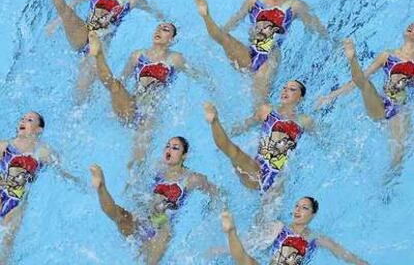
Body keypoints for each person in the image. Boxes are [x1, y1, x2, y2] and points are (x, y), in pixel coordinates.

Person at [194, 0, 327, 106]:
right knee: (223, 38)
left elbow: (317, 27)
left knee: (259, 101)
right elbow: (235, 21)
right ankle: (205, 15)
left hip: (270, 56)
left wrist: (332, 42)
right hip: (250, 51)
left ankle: (259, 116)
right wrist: (222, 31)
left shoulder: (295, 5)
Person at [45, 0, 164, 102]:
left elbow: (151, 9)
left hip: (99, 46)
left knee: (81, 93)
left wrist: (164, 20)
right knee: (69, 14)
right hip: (84, 34)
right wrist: (55, 23)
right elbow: (73, 4)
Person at [88, 23, 204, 167]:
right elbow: (123, 80)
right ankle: (98, 55)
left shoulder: (175, 59)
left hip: (149, 114)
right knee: (115, 86)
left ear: (172, 40)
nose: (159, 31)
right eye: (157, 28)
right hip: (131, 107)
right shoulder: (137, 56)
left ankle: (132, 181)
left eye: (165, 30)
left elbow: (198, 75)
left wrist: (212, 87)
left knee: (137, 161)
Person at [90, 136, 220, 265]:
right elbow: (137, 183)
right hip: (142, 220)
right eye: (167, 146)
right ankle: (100, 187)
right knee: (119, 214)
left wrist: (211, 209)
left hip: (161, 231)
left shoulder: (191, 178)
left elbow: (216, 192)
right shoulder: (157, 167)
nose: (169, 149)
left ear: (184, 155)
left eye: (175, 148)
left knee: (165, 229)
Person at [316, 25, 414, 167]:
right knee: (365, 83)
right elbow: (358, 81)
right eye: (411, 23)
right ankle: (352, 58)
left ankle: (387, 184)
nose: (411, 25)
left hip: (400, 111)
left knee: (398, 157)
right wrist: (330, 96)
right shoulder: (387, 55)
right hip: (380, 104)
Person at [204, 80, 313, 196]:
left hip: (277, 180)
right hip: (256, 169)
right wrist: (229, 132)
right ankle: (214, 121)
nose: (285, 91)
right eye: (284, 88)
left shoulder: (304, 120)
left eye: (292, 89)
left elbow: (323, 137)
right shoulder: (266, 110)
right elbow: (244, 126)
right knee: (235, 153)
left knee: (266, 212)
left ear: (301, 98)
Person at [0, 112, 78, 262]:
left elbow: (64, 170)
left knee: (7, 241)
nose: (23, 121)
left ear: (38, 129)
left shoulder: (42, 151)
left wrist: (78, 181)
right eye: (22, 119)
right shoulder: (4, 146)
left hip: (17, 203)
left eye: (29, 120)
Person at [221, 196, 369, 265]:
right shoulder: (279, 227)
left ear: (313, 214)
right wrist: (220, 250)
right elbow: (250, 246)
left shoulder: (315, 238)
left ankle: (231, 231)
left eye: (304, 208)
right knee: (245, 260)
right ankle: (231, 231)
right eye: (296, 206)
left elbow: (345, 255)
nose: (298, 210)